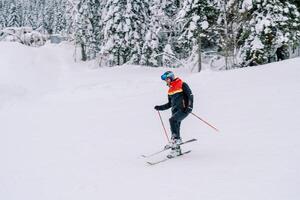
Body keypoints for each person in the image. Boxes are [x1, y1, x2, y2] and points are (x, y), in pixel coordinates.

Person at [154, 71, 193, 157]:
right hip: (175, 111)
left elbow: (190, 96)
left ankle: (176, 140)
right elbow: (169, 104)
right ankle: (176, 150)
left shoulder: (182, 84)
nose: (166, 81)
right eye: (165, 80)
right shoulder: (170, 90)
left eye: (167, 79)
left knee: (172, 120)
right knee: (175, 127)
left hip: (184, 109)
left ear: (171, 77)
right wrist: (160, 107)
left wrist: (189, 107)